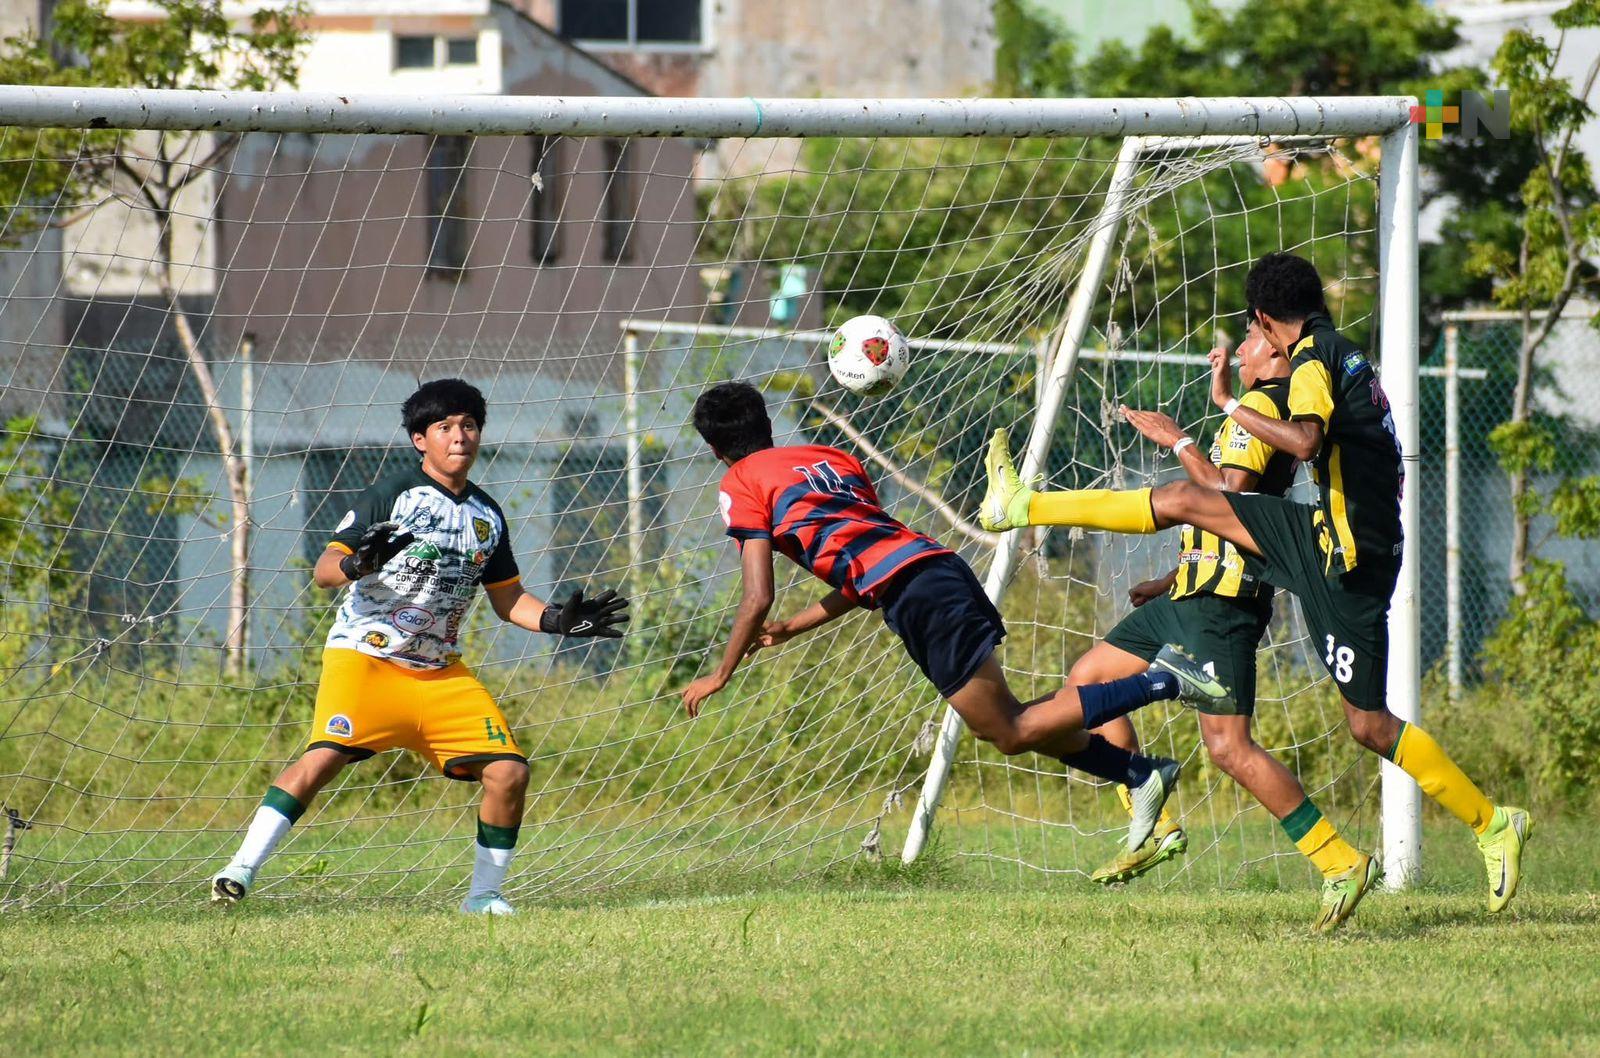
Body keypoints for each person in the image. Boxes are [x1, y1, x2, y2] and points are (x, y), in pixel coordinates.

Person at [981, 252, 1530, 915]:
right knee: (1179, 512)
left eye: (1251, 333)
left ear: (1269, 326)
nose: (1247, 346)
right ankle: (1024, 504)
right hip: (1325, 538)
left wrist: (1225, 405)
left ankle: (1490, 824)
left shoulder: (1313, 362)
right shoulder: (1334, 352)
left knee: (1365, 726)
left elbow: (1301, 442)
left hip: (1347, 563)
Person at [684, 380, 1226, 854]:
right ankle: (1139, 772)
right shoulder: (829, 458)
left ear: (713, 448)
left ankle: (1162, 684)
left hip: (919, 596)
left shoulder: (740, 485)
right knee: (1008, 723)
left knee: (1009, 730)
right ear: (767, 423)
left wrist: (722, 671)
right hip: (937, 570)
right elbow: (869, 568)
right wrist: (792, 628)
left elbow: (757, 595)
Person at [210, 378, 629, 915]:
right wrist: (358, 563)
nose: (460, 437)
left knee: (510, 772)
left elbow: (508, 600)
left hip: (438, 672)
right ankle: (239, 868)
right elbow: (322, 570)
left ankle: (484, 898)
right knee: (323, 758)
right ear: (419, 440)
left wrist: (557, 621)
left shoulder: (488, 515)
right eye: (445, 427)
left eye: (469, 426)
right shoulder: (392, 495)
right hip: (366, 657)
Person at [1010, 320, 1376, 931]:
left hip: (1223, 605)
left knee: (1228, 747)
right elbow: (1220, 517)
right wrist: (1171, 577)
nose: (1244, 345)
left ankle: (1339, 861)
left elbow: (1227, 498)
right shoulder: (1257, 407)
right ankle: (1149, 807)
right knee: (1084, 685)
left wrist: (1179, 438)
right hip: (1190, 590)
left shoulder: (1266, 404)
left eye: (1255, 338)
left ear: (1275, 355)